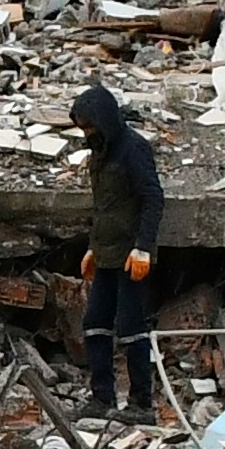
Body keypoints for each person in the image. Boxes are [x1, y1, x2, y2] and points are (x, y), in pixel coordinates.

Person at [69, 80, 165, 420]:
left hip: (130, 255)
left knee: (131, 326)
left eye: (91, 125)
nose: (88, 132)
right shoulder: (100, 152)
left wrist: (143, 247)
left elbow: (152, 198)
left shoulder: (132, 149)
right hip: (107, 252)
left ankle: (142, 403)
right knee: (95, 323)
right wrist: (93, 248)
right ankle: (102, 398)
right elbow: (104, 207)